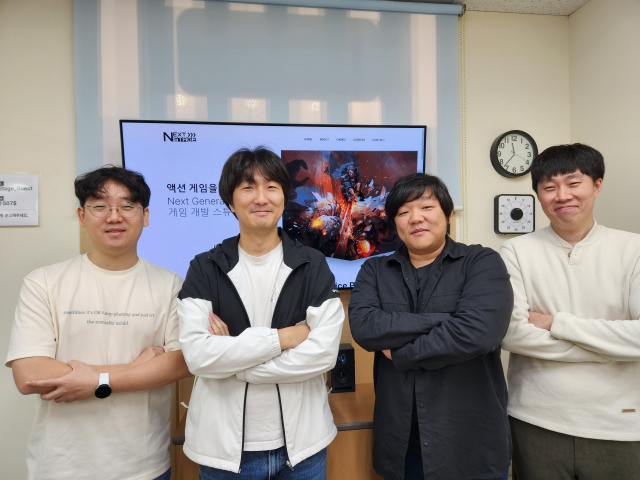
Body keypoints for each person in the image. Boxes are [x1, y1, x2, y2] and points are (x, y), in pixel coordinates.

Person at [6, 165, 191, 480]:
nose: (114, 216)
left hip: (144, 466)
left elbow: (179, 363)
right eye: (100, 206)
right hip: (61, 466)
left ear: (145, 215)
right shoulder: (44, 283)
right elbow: (30, 375)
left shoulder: (171, 284)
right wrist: (132, 370)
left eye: (127, 206)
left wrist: (92, 380)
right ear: (82, 216)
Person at [178, 147, 344, 479]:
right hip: (224, 453)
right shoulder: (205, 267)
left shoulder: (312, 264)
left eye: (271, 187)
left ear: (284, 197)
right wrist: (286, 338)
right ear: (230, 201)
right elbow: (198, 356)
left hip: (304, 448)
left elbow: (323, 353)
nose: (261, 198)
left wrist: (235, 364)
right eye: (248, 187)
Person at [349, 173, 512, 480]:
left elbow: (479, 334)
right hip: (402, 449)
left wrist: (401, 355)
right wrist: (446, 319)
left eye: (426, 207)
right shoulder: (374, 270)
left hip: (470, 446)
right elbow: (365, 327)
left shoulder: (481, 262)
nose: (416, 218)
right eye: (404, 212)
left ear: (448, 215)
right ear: (394, 223)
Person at [500, 144, 640, 480]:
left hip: (620, 422)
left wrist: (555, 322)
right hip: (536, 419)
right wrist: (610, 348)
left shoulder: (633, 249)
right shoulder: (516, 251)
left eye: (573, 183)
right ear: (538, 194)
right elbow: (512, 335)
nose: (562, 196)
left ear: (597, 185)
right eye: (549, 187)